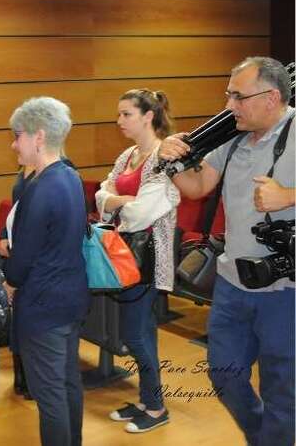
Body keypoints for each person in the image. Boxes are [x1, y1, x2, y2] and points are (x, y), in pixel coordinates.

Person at [159, 57, 295, 446]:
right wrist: (171, 160)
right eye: (228, 95)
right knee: (224, 375)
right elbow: (198, 186)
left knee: (282, 390)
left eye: (238, 96)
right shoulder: (232, 134)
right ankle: (263, 437)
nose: (229, 105)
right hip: (233, 283)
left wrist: (289, 196)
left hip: (285, 292)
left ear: (271, 98)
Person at [5, 97, 90, 446]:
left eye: (17, 136)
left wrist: (10, 281)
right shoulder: (70, 175)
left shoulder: (39, 188)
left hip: (43, 305)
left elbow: (22, 259)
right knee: (68, 383)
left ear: (38, 136)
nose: (14, 145)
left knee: (50, 394)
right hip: (71, 298)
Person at [95, 89, 181, 433]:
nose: (119, 121)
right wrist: (119, 200)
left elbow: (141, 214)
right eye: (119, 114)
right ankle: (148, 400)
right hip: (126, 257)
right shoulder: (128, 155)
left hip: (147, 259)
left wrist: (117, 203)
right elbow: (102, 194)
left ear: (148, 116)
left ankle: (157, 408)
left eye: (126, 114)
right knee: (142, 332)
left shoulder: (164, 158)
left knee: (136, 334)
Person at [0, 165, 35, 399]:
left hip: (31, 262)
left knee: (30, 323)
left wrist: (12, 279)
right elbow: (14, 213)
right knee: (18, 322)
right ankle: (21, 379)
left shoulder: (56, 172)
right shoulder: (23, 172)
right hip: (17, 254)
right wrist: (3, 236)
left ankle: (31, 382)